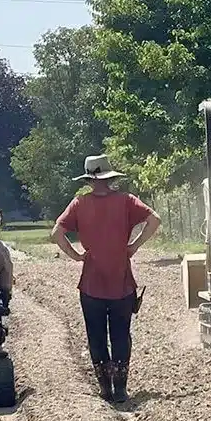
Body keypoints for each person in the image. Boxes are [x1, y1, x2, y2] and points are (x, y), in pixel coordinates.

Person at [50, 154, 161, 403]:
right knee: (121, 334)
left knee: (96, 335)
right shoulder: (126, 200)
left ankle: (105, 387)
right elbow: (155, 220)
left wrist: (76, 255)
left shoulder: (79, 204)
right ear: (110, 177)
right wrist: (134, 246)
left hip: (91, 283)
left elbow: (56, 232)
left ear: (89, 179)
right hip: (122, 281)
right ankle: (121, 388)